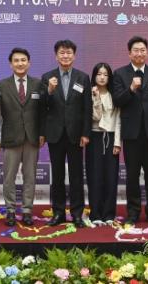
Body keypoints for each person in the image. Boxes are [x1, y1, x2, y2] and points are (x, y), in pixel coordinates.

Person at [112, 36, 148, 226]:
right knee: (132, 175)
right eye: (135, 50)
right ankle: (133, 212)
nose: (139, 53)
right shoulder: (120, 74)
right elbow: (118, 101)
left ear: (147, 52)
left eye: (142, 50)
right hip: (132, 133)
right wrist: (131, 88)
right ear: (129, 53)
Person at [0, 47, 44, 227]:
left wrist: (42, 133)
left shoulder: (38, 84)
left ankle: (27, 210)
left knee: (30, 176)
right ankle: (10, 210)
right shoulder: (2, 85)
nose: (20, 63)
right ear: (10, 64)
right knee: (9, 177)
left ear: (29, 63)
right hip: (11, 136)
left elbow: (44, 111)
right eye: (16, 61)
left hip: (32, 137)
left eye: (23, 60)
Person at [41, 40, 91, 228]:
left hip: (76, 135)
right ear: (56, 56)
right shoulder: (47, 77)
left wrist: (86, 133)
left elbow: (87, 108)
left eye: (69, 52)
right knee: (58, 176)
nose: (65, 56)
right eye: (62, 53)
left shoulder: (82, 77)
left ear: (74, 55)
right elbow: (42, 106)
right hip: (55, 134)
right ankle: (58, 213)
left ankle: (77, 214)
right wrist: (49, 90)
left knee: (77, 176)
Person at [86, 62, 121, 225]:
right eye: (99, 74)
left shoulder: (115, 94)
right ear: (94, 76)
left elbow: (119, 120)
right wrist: (96, 98)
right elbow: (96, 117)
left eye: (105, 74)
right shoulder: (89, 94)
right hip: (94, 137)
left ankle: (109, 214)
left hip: (111, 137)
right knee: (95, 176)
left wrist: (117, 143)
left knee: (111, 177)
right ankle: (95, 214)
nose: (102, 77)